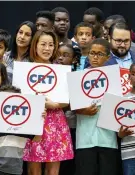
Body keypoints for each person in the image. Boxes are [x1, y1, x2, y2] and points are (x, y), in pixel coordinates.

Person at [23, 30, 73, 175]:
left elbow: (67, 98)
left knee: (53, 168)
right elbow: (20, 97)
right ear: (35, 46)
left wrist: (56, 105)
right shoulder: (25, 69)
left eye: (51, 45)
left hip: (56, 121)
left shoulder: (60, 70)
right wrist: (42, 103)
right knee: (34, 168)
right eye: (43, 44)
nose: (47, 48)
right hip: (33, 120)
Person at [75, 38, 119, 175]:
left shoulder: (114, 77)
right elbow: (70, 104)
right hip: (85, 137)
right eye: (92, 53)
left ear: (107, 57)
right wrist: (82, 110)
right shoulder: (78, 77)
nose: (95, 57)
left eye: (99, 54)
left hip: (108, 137)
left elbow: (119, 105)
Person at [54, 43, 81, 175]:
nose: (60, 58)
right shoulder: (49, 76)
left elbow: (76, 104)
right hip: (52, 128)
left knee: (68, 164)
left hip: (71, 127)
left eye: (65, 55)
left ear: (74, 59)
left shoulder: (77, 78)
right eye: (58, 55)